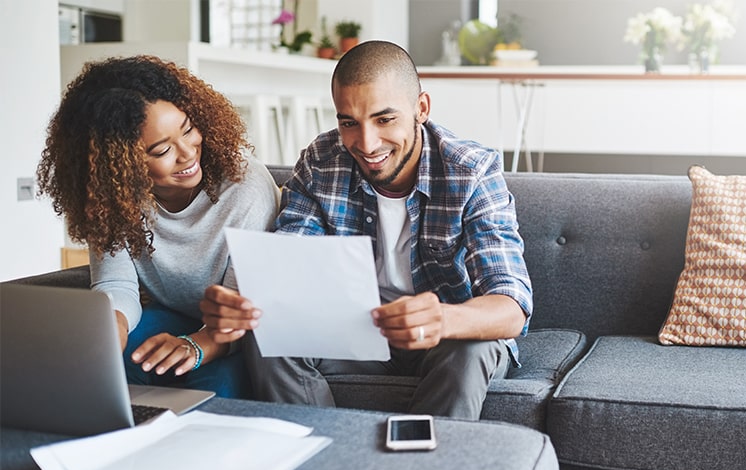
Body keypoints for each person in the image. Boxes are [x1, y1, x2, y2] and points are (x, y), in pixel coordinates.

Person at [200, 40, 533, 419]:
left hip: (447, 337)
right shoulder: (322, 162)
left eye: (384, 119)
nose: (367, 143)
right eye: (348, 123)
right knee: (266, 335)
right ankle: (322, 459)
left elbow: (512, 306)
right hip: (359, 336)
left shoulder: (471, 171)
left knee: (473, 348)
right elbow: (291, 259)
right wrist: (244, 302)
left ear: (420, 108)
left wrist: (442, 319)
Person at [36, 55, 280, 398]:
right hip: (167, 316)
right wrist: (111, 328)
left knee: (218, 392)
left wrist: (195, 346)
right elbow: (116, 283)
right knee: (107, 371)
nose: (187, 153)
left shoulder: (245, 185)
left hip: (233, 334)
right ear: (118, 163)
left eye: (188, 130)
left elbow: (242, 307)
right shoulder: (112, 196)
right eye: (161, 149)